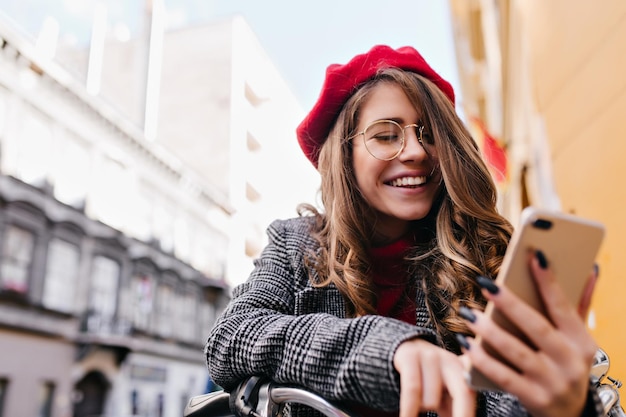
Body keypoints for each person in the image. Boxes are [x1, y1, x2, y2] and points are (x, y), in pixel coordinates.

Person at [205, 44, 603, 417]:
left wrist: (562, 405)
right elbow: (231, 337)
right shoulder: (296, 243)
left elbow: (500, 400)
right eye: (386, 135)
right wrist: (388, 349)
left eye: (429, 134)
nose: (415, 151)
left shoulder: (484, 257)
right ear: (344, 156)